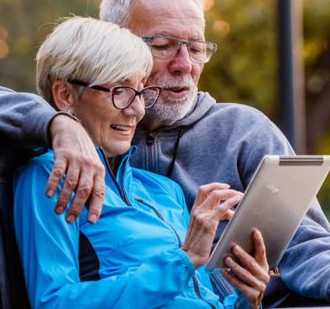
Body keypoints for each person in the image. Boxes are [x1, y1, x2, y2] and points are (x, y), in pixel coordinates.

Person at [0, 0, 330, 308]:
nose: (184, 64)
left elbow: (305, 238)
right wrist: (59, 126)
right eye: (163, 45)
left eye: (196, 47)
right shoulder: (65, 153)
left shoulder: (230, 137)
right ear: (118, 47)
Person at [15, 16, 269, 308]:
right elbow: (54, 303)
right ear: (65, 95)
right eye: (119, 91)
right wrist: (183, 261)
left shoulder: (162, 190)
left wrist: (246, 300)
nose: (136, 110)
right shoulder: (51, 177)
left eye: (140, 92)